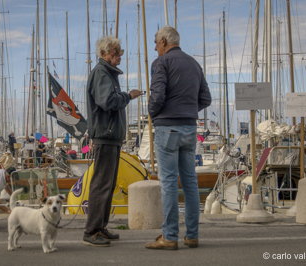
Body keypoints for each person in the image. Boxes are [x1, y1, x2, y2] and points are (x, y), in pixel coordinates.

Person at [145, 26, 211, 250]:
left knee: (169, 183)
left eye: (156, 43)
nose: (155, 47)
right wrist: (188, 109)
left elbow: (158, 94)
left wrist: (154, 113)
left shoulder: (161, 63)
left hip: (167, 128)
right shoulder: (194, 63)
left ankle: (170, 236)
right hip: (189, 128)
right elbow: (206, 98)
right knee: (190, 183)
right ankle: (192, 235)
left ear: (164, 41)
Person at [84, 35, 142, 247]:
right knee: (101, 184)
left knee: (106, 184)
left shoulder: (107, 74)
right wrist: (129, 96)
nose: (118, 57)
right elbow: (108, 101)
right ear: (104, 54)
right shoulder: (101, 74)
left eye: (120, 53)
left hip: (110, 137)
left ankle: (100, 227)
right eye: (115, 53)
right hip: (105, 137)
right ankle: (91, 231)